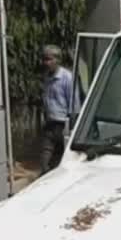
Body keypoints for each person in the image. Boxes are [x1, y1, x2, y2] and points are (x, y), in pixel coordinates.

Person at [39, 45, 74, 174]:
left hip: (62, 125)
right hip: (50, 123)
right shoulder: (47, 77)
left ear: (57, 60)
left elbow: (73, 102)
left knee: (60, 162)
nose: (46, 63)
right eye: (44, 59)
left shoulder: (67, 78)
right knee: (45, 163)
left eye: (49, 59)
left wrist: (71, 126)